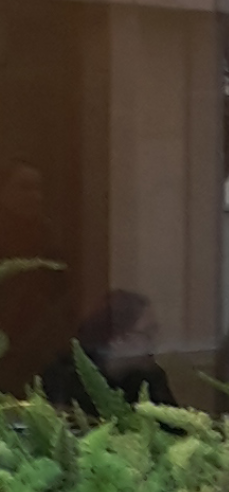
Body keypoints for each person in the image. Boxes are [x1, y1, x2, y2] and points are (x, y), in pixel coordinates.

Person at [43, 289, 176, 414]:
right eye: (148, 333)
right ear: (117, 339)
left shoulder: (151, 377)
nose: (155, 342)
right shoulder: (65, 378)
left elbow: (173, 426)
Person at [0, 158, 68, 396]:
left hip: (40, 346)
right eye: (24, 187)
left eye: (39, 188)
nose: (35, 196)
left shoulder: (45, 233)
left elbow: (60, 286)